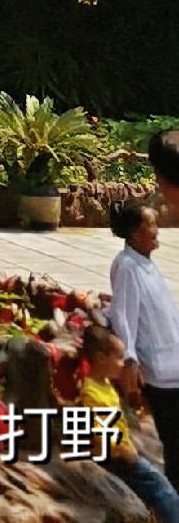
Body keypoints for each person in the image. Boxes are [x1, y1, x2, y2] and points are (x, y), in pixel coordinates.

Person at [79, 317, 179, 523]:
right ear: (100, 358)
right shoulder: (91, 392)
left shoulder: (105, 384)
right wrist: (128, 452)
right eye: (119, 357)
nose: (123, 363)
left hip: (125, 451)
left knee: (158, 475)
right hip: (116, 459)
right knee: (163, 489)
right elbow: (103, 430)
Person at [108, 200, 179, 472]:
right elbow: (123, 315)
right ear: (136, 234)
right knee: (173, 438)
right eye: (150, 224)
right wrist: (130, 360)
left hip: (172, 361)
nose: (156, 229)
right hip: (159, 370)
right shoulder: (126, 266)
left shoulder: (144, 263)